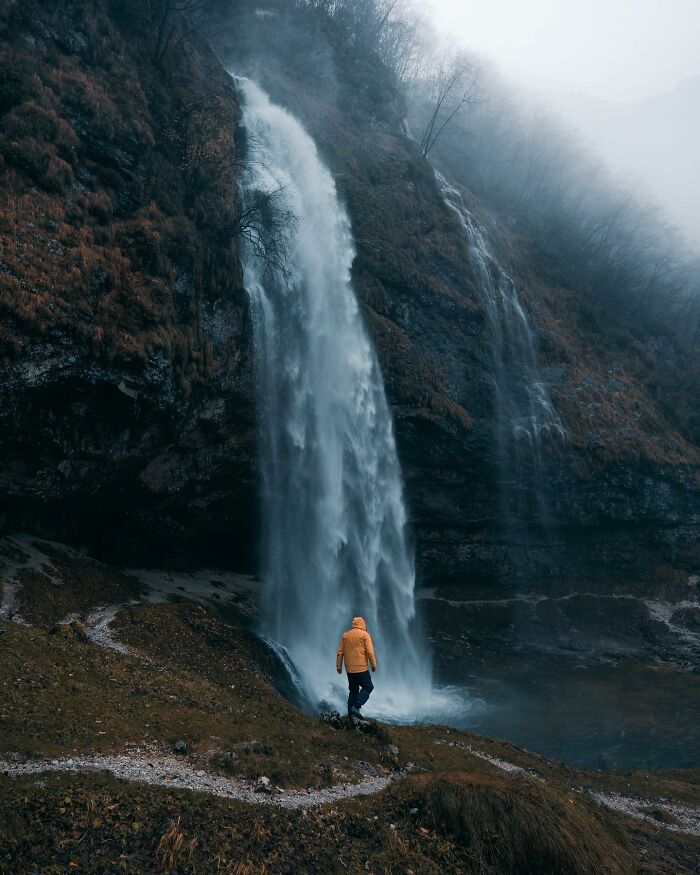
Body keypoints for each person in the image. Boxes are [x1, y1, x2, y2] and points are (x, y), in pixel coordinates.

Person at [336, 616, 377, 718]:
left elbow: (340, 652)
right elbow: (370, 652)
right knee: (368, 686)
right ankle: (357, 706)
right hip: (361, 669)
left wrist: (339, 666)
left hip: (349, 670)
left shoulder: (345, 635)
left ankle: (351, 714)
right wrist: (373, 665)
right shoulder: (365, 635)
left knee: (353, 691)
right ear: (363, 624)